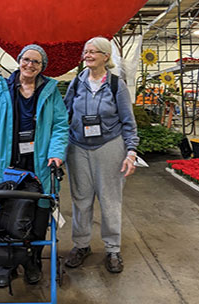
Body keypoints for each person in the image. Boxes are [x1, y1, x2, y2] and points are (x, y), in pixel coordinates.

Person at [0, 44, 68, 288]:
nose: (30, 65)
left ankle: (32, 262)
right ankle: (4, 263)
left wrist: (57, 153)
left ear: (42, 67)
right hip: (7, 165)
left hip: (39, 164)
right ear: (18, 60)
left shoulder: (51, 91)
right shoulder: (1, 89)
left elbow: (61, 125)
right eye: (26, 59)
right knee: (3, 216)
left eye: (36, 62)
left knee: (38, 217)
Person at [63, 36, 139, 274]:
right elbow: (63, 116)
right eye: (86, 51)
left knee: (110, 200)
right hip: (78, 148)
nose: (87, 55)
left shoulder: (117, 85)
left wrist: (131, 152)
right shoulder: (76, 82)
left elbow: (128, 122)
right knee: (81, 200)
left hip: (109, 146)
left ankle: (113, 249)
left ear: (106, 56)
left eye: (93, 51)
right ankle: (81, 245)